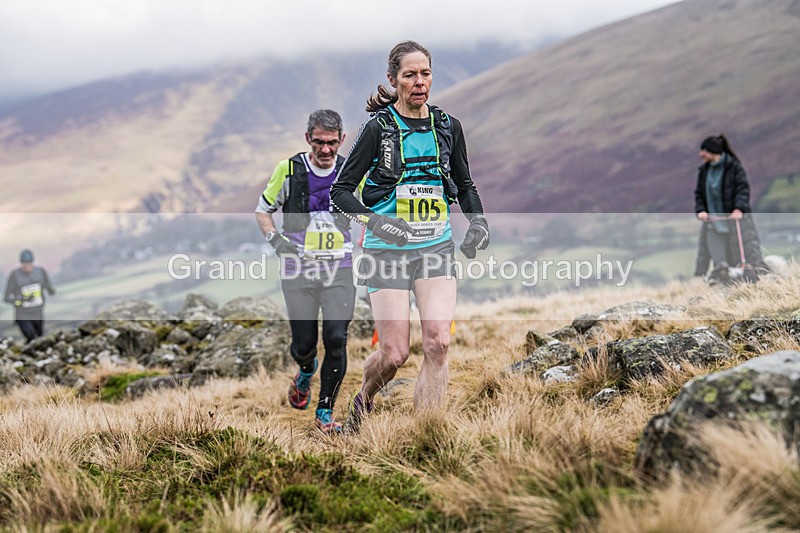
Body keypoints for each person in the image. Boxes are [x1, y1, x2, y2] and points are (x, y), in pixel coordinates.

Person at [329, 40, 489, 432]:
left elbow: (465, 184)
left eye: (425, 73)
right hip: (386, 252)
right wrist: (376, 222)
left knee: (438, 342)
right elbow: (340, 191)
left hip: (435, 247)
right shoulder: (378, 129)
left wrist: (478, 222)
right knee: (395, 354)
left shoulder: (448, 126)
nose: (419, 82)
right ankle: (363, 400)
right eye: (409, 75)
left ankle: (425, 433)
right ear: (393, 80)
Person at [255, 109, 356, 434]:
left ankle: (325, 411)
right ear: (307, 139)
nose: (325, 150)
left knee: (337, 338)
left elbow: (371, 210)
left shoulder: (350, 171)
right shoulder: (289, 170)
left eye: (331, 143)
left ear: (341, 140)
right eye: (318, 143)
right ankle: (306, 368)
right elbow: (263, 211)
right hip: (298, 270)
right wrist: (277, 242)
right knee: (304, 344)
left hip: (339, 268)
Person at [693, 133, 765, 281]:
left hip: (735, 222)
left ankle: (748, 286)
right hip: (713, 223)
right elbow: (699, 193)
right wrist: (701, 210)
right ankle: (722, 288)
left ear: (713, 152)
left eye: (704, 151)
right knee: (719, 261)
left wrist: (739, 208)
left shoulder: (734, 168)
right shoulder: (704, 171)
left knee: (741, 259)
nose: (701, 154)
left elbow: (743, 189)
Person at [3, 249, 56, 342]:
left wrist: (50, 290)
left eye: (29, 264)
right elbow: (6, 298)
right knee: (31, 336)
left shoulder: (40, 272)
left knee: (40, 336)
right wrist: (21, 300)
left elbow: (48, 286)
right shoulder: (15, 275)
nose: (27, 267)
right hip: (22, 314)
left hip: (37, 312)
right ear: (21, 263)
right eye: (25, 264)